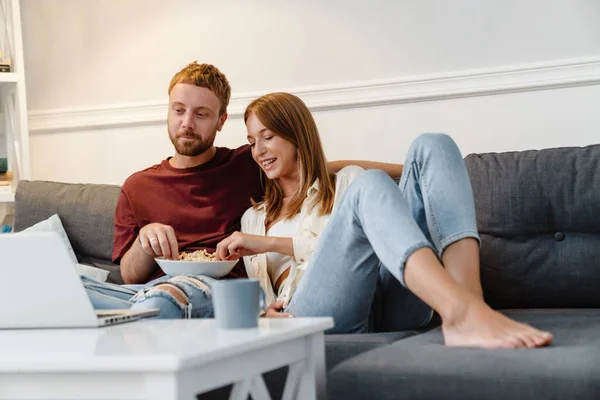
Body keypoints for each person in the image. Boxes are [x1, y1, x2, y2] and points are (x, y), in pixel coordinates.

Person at [215, 92, 554, 348]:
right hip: (315, 312)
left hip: (390, 301)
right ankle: (462, 311)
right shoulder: (254, 219)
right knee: (371, 182)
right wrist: (261, 315)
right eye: (251, 141)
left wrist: (329, 169)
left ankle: (469, 304)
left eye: (268, 136)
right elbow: (262, 291)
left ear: (296, 134)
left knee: (433, 144)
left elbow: (418, 178)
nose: (257, 151)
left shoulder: (348, 182)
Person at [82, 61, 402, 318]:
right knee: (73, 288)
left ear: (221, 120)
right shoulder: (137, 186)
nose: (187, 123)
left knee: (162, 300)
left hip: (218, 291)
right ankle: (133, 312)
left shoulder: (247, 163)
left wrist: (407, 172)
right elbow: (129, 275)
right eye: (178, 110)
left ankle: (141, 313)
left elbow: (318, 166)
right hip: (152, 289)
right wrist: (145, 240)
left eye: (201, 114)